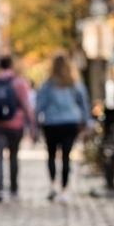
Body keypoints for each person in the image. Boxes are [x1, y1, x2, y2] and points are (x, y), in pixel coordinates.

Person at [35, 53, 91, 205]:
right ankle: (64, 190)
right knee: (66, 156)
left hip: (51, 123)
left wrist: (36, 122)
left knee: (51, 155)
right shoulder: (75, 83)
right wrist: (87, 122)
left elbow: (40, 104)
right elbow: (83, 104)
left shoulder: (47, 84)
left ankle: (53, 185)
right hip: (70, 123)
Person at [0, 54, 36, 202]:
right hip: (15, 125)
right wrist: (32, 125)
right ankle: (13, 188)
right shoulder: (18, 83)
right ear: (11, 65)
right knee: (13, 156)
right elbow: (26, 105)